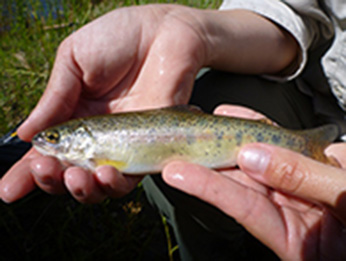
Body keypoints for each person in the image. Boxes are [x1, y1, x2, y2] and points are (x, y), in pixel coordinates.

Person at [1, 0, 345, 259]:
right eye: (53, 138)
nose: (47, 142)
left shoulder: (95, 151)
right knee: (205, 99)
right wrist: (195, 28)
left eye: (54, 138)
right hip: (311, 89)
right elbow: (291, 8)